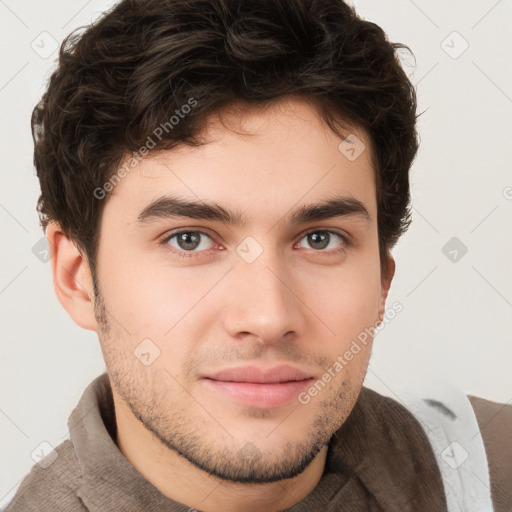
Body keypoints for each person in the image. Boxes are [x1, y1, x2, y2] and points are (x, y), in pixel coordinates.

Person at [5, 0, 511, 510]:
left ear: (382, 280)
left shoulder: (491, 466)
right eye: (189, 239)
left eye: (320, 239)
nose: (268, 317)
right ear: (77, 278)